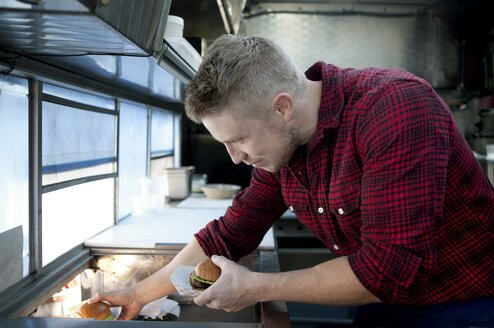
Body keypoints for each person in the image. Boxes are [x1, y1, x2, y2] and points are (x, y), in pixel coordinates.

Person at [90, 35, 494, 327]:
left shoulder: (393, 108)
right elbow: (228, 235)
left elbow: (388, 269)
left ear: (281, 106)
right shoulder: (283, 148)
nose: (235, 157)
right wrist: (140, 294)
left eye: (239, 139)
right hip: (385, 304)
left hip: (468, 305)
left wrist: (256, 287)